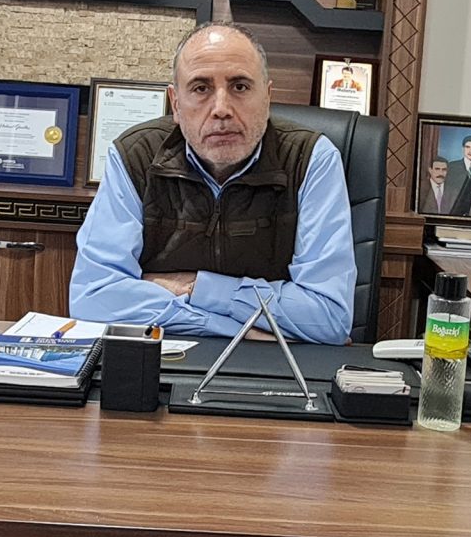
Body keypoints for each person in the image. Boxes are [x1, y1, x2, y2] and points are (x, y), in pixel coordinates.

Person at [68, 24, 354, 343]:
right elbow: (92, 299)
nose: (221, 110)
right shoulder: (135, 156)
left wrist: (196, 287)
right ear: (176, 104)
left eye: (240, 87)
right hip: (166, 356)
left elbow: (328, 317)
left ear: (267, 97)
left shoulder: (311, 158)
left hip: (274, 363)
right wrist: (233, 328)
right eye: (201, 88)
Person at [441, 135, 471, 215]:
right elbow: (446, 189)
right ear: (462, 149)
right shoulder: (452, 166)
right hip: (454, 211)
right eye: (467, 147)